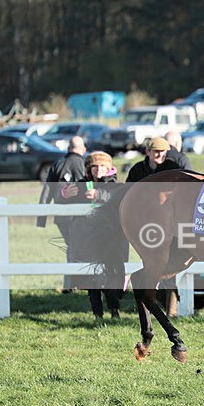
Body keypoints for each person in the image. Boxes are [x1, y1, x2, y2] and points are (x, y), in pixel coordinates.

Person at [62, 151, 123, 320]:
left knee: (109, 275)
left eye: (102, 166)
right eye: (95, 166)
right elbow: (66, 203)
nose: (98, 170)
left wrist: (99, 195)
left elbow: (116, 198)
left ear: (109, 167)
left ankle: (114, 310)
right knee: (91, 277)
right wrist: (67, 194)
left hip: (109, 237)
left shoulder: (115, 184)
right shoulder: (81, 184)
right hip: (87, 237)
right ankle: (97, 313)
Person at [126, 136, 183, 317]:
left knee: (170, 264)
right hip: (146, 225)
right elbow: (128, 194)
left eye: (163, 152)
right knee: (150, 264)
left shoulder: (173, 167)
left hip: (170, 224)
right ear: (148, 152)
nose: (160, 155)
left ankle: (171, 309)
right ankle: (151, 304)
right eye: (156, 152)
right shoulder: (137, 170)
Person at [37, 135, 87, 292]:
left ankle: (74, 284)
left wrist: (41, 218)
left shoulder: (57, 164)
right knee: (75, 248)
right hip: (80, 216)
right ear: (82, 149)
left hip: (61, 217)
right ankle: (71, 285)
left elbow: (47, 191)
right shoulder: (84, 164)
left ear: (68, 148)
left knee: (73, 247)